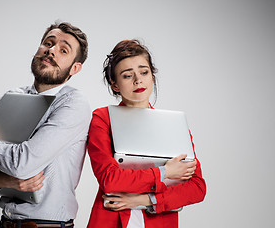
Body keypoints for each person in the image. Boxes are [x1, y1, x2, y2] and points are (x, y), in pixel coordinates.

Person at [0, 22, 91, 228]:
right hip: (6, 223)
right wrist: (6, 181)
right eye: (48, 43)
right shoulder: (12, 96)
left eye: (63, 50)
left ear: (74, 68)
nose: (51, 50)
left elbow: (23, 164)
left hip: (48, 225)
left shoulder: (73, 103)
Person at [86, 40, 206, 228]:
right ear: (115, 85)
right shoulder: (103, 119)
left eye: (144, 72)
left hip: (161, 221)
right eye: (127, 76)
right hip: (111, 219)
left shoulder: (174, 125)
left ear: (152, 77)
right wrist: (165, 172)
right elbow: (110, 180)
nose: (138, 80)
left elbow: (196, 188)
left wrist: (144, 199)